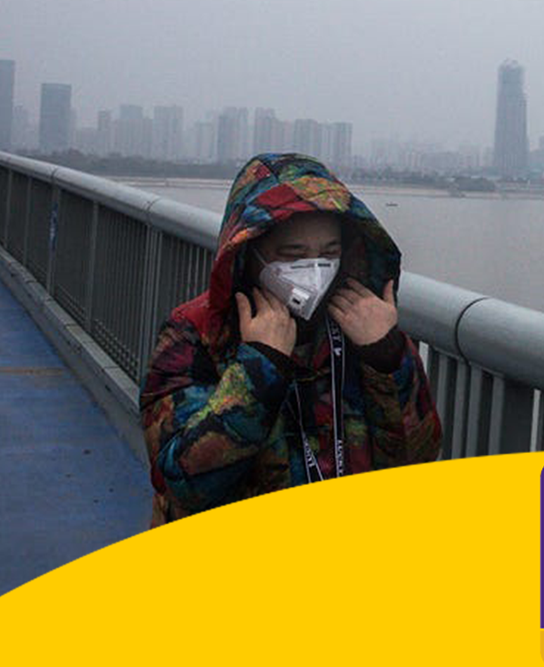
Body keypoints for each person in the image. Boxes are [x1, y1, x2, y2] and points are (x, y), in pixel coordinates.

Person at [140, 153, 441, 526]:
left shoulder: (362, 327)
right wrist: (259, 370)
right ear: (249, 252)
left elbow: (420, 457)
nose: (314, 271)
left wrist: (388, 358)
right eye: (293, 255)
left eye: (329, 253)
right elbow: (181, 482)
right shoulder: (197, 333)